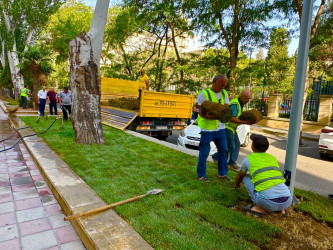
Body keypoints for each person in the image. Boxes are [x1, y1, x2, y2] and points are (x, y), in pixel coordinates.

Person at [234, 134, 292, 217]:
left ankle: (258, 208)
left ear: (253, 146)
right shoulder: (272, 158)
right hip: (287, 201)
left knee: (246, 177)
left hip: (268, 203)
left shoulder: (248, 159)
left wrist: (236, 185)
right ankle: (281, 210)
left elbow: (240, 176)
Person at [196, 75, 230, 182]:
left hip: (220, 128)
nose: (223, 87)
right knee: (204, 152)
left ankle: (222, 174)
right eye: (221, 84)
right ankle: (201, 175)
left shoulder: (224, 93)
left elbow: (226, 109)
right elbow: (201, 112)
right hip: (207, 129)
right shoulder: (204, 94)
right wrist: (209, 116)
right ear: (214, 82)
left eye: (225, 85)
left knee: (223, 151)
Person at [223, 89, 252, 171]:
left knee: (237, 144)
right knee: (231, 146)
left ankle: (232, 162)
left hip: (232, 128)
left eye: (249, 99)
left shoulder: (240, 104)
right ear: (241, 96)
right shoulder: (235, 104)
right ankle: (217, 157)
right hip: (227, 127)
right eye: (247, 98)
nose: (248, 101)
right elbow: (231, 118)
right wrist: (243, 122)